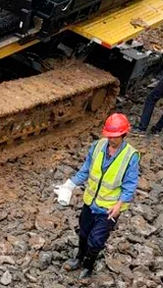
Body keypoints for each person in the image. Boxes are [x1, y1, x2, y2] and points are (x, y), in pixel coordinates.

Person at [53, 113, 140, 280]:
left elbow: (130, 184)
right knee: (84, 233)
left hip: (109, 208)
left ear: (124, 134)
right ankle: (79, 258)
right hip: (90, 201)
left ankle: (88, 265)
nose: (111, 139)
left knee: (97, 240)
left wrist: (119, 204)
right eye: (108, 135)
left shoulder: (130, 156)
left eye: (114, 136)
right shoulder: (98, 146)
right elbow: (86, 169)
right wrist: (70, 184)